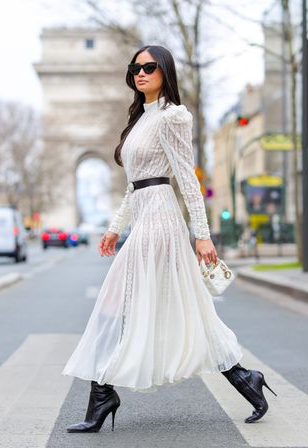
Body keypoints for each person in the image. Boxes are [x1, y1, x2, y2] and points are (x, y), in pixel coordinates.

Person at [62, 45, 277, 433]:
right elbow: (133, 186)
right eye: (135, 68)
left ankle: (102, 394)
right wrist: (114, 227)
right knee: (187, 306)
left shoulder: (173, 116)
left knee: (115, 299)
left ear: (165, 71)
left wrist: (202, 235)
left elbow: (187, 178)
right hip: (143, 213)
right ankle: (246, 379)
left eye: (149, 67)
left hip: (161, 219)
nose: (140, 73)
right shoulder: (139, 119)